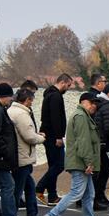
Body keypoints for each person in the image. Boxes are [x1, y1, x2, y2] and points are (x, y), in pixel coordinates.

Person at [43, 93, 108, 216]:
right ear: (84, 102)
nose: (94, 106)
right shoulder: (81, 117)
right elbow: (83, 142)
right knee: (76, 192)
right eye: (92, 103)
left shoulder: (82, 116)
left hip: (80, 162)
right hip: (81, 163)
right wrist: (89, 162)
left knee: (88, 194)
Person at [8, 88, 46, 216]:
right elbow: (29, 136)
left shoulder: (11, 110)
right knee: (17, 190)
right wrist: (41, 138)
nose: (32, 103)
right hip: (22, 157)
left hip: (18, 156)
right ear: (27, 100)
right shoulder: (22, 114)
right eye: (31, 100)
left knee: (29, 187)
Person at [36, 73, 73, 205]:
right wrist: (58, 136)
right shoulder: (55, 96)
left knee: (53, 165)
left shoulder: (49, 94)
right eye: (68, 85)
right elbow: (55, 118)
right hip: (53, 136)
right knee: (60, 165)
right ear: (62, 82)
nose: (68, 88)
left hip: (49, 134)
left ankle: (52, 196)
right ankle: (40, 187)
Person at [0, 83, 25, 216]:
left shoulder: (0, 109)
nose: (11, 100)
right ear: (4, 96)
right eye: (10, 96)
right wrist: (4, 153)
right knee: (8, 187)